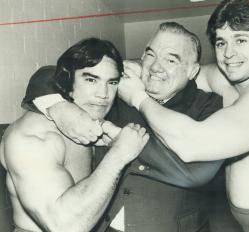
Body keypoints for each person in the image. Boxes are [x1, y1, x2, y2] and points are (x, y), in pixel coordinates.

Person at [117, 0, 249, 231]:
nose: (229, 53)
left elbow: (191, 144)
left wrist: (138, 97)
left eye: (240, 40)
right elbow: (177, 69)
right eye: (221, 42)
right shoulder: (232, 78)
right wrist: (141, 67)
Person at [21, 22, 226, 232]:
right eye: (150, 54)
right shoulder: (117, 88)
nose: (155, 67)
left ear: (192, 71)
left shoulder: (210, 106)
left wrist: (124, 142)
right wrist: (58, 105)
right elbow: (47, 75)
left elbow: (194, 173)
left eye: (171, 59)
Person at [0, 38, 150, 232]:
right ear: (68, 80)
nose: (103, 94)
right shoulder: (32, 137)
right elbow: (65, 226)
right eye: (91, 79)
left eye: (111, 82)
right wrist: (119, 154)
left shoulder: (92, 122)